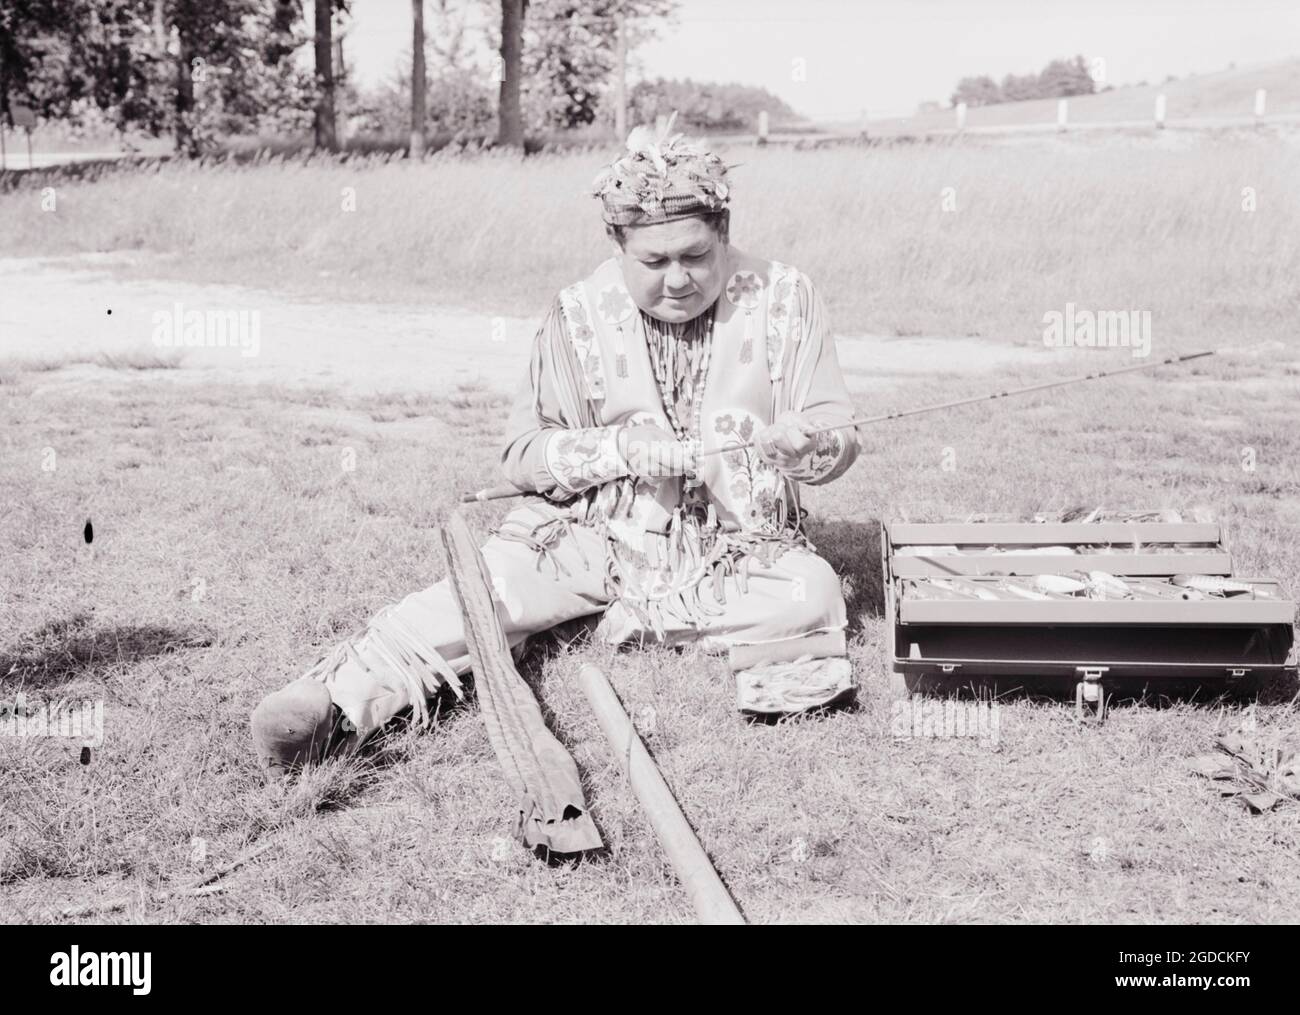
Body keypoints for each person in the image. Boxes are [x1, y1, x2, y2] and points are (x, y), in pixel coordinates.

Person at [250, 116, 862, 778]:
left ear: (725, 234)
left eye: (696, 256)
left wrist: (807, 445)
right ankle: (337, 700)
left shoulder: (786, 298)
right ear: (616, 244)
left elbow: (836, 431)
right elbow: (522, 453)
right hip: (586, 537)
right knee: (492, 587)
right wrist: (622, 447)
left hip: (738, 549)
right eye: (653, 262)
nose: (678, 279)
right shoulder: (577, 312)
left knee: (810, 590)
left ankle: (599, 621)